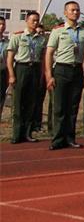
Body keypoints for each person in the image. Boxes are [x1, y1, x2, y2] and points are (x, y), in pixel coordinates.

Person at [45, 1, 84, 150]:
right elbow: (49, 53)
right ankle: (57, 139)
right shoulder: (57, 31)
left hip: (76, 70)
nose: (75, 13)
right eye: (72, 10)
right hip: (61, 70)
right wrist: (49, 75)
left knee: (73, 107)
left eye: (77, 10)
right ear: (65, 12)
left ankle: (70, 138)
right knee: (59, 107)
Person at [6, 11, 42, 142]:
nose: (35, 22)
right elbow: (10, 58)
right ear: (26, 20)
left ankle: (27, 133)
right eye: (33, 20)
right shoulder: (18, 36)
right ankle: (16, 134)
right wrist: (11, 74)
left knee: (31, 103)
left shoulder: (41, 38)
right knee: (18, 102)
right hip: (21, 68)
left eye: (37, 20)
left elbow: (42, 58)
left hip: (35, 69)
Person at [0, 17, 8, 119]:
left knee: (1, 98)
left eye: (3, 24)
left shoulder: (7, 42)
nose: (1, 27)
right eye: (0, 24)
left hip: (2, 72)